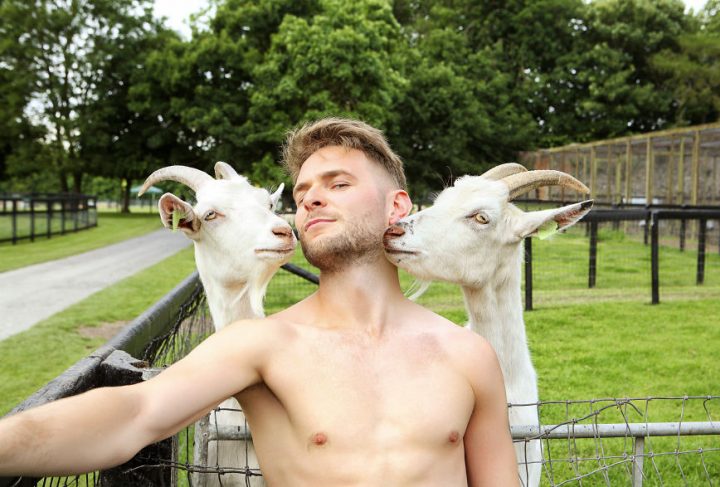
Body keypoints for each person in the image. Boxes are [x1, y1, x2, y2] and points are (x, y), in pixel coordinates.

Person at [0, 118, 519, 486]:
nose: (312, 198)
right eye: (302, 192)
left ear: (397, 206)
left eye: (338, 183)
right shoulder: (261, 346)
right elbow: (133, 412)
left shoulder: (466, 355)